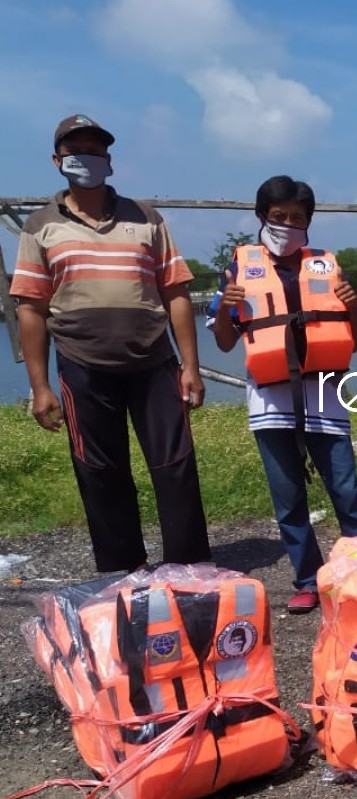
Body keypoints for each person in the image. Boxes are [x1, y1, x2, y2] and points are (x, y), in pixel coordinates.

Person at [10, 114, 210, 573]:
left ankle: (190, 567)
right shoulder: (40, 227)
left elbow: (176, 292)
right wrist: (41, 388)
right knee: (100, 472)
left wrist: (190, 366)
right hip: (82, 365)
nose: (87, 158)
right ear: (58, 160)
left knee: (175, 464)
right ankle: (123, 570)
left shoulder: (146, 218)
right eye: (76, 150)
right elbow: (31, 310)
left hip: (154, 361)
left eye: (96, 150)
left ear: (109, 162)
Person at [209, 175, 357, 613]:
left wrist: (352, 305)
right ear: (262, 217)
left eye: (297, 218)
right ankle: (307, 579)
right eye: (278, 217)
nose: (287, 224)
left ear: (309, 223)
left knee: (346, 493)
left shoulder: (327, 266)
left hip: (324, 398)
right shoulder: (236, 270)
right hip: (271, 404)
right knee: (288, 499)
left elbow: (354, 340)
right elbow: (225, 341)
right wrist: (226, 305)